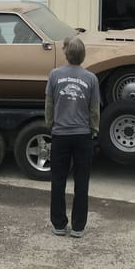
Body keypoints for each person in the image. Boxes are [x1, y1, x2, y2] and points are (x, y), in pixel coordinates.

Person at [45, 35, 100, 238]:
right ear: (83, 55)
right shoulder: (91, 78)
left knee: (58, 180)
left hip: (60, 134)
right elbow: (94, 109)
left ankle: (59, 224)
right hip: (83, 136)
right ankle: (78, 227)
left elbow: (49, 104)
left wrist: (50, 124)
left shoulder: (54, 75)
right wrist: (94, 129)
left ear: (66, 54)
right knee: (82, 181)